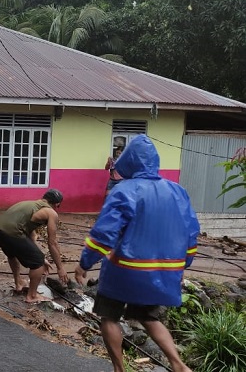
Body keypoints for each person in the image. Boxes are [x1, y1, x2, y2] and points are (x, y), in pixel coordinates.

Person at [75, 135, 198, 372]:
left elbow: (104, 233)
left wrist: (85, 263)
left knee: (108, 316)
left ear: (129, 161)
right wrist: (184, 265)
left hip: (124, 269)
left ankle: (119, 369)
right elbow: (191, 232)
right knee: (150, 318)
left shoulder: (124, 190)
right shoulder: (177, 191)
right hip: (162, 270)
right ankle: (178, 364)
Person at [0, 189, 69, 303]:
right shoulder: (51, 213)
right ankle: (32, 296)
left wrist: (41, 256)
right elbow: (52, 242)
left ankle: (18, 283)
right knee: (38, 264)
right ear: (57, 204)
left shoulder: (28, 204)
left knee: (13, 254)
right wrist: (60, 268)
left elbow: (30, 236)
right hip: (12, 231)